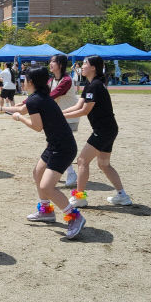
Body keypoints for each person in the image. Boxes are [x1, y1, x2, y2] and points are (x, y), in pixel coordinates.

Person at [0, 67, 84, 239]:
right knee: (37, 173)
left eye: (25, 79)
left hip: (63, 148)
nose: (23, 82)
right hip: (56, 145)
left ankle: (75, 217)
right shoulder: (37, 97)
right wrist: (1, 109)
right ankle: (46, 211)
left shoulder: (36, 100)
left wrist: (19, 119)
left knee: (46, 186)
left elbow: (36, 126)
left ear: (31, 82)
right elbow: (22, 108)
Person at [62, 55, 131, 207]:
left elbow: (84, 111)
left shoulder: (96, 85)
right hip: (108, 129)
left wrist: (60, 116)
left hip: (104, 130)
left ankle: (79, 198)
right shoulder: (90, 84)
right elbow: (78, 106)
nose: (82, 66)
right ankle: (122, 196)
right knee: (104, 164)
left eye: (85, 63)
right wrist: (60, 112)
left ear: (93, 67)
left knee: (82, 161)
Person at [48, 54, 80, 187]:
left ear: (60, 65)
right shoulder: (51, 80)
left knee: (60, 147)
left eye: (53, 62)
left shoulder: (66, 80)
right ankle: (56, 171)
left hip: (69, 117)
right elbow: (44, 94)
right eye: (50, 61)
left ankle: (71, 173)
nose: (50, 63)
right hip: (58, 117)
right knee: (53, 145)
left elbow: (51, 95)